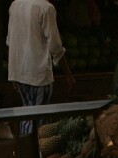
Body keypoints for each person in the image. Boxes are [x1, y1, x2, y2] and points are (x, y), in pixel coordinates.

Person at [7, 0, 75, 134]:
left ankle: (26, 149)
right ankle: (33, 152)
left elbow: (10, 40)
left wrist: (13, 70)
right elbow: (56, 47)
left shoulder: (15, 5)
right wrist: (68, 75)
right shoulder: (46, 8)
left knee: (28, 113)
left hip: (19, 72)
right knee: (39, 118)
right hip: (38, 73)